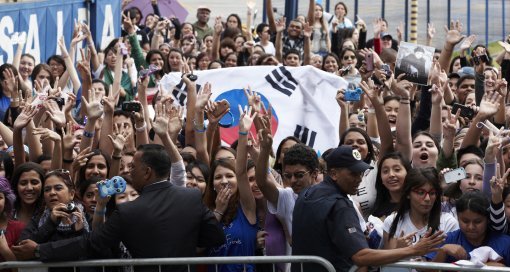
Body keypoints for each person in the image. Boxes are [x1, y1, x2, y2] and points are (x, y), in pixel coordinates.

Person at [12, 144, 225, 271]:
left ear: (148, 172)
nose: (130, 172)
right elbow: (214, 237)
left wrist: (39, 249)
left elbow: (90, 243)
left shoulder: (129, 210)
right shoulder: (191, 197)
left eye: (134, 167)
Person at [292, 145, 446, 272]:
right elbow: (361, 257)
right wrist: (414, 250)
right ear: (333, 173)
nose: (359, 179)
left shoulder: (307, 193)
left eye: (360, 172)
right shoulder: (339, 205)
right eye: (353, 173)